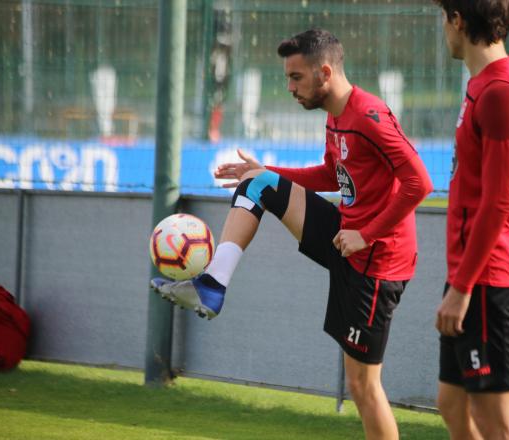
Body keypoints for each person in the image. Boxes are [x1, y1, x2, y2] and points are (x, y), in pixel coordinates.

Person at [151, 28, 433, 440]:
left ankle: (213, 284)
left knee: (364, 387)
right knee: (258, 185)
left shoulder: (369, 115)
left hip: (377, 263)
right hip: (347, 240)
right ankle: (212, 284)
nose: (289, 87)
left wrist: (368, 235)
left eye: (296, 77)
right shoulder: (336, 118)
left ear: (323, 72)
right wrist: (267, 171)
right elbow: (328, 175)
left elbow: (419, 182)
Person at [430, 1, 509, 439]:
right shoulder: (483, 85)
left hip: (490, 280)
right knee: (453, 405)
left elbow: (497, 203)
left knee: (496, 424)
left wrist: (461, 288)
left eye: (443, 18)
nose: (444, 29)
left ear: (458, 20)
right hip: (473, 275)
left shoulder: (501, 93)